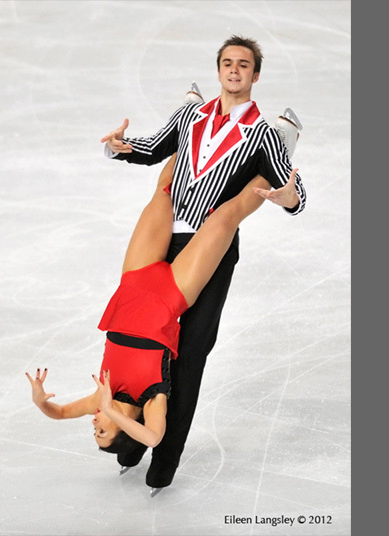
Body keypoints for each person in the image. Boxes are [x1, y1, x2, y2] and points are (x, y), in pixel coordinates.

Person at [99, 35, 308, 490]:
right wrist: (119, 146)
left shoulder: (264, 136)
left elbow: (297, 196)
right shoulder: (190, 116)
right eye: (228, 63)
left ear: (255, 76)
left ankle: (166, 453)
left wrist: (289, 197)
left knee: (189, 352)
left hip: (211, 249)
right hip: (166, 234)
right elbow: (154, 148)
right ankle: (132, 432)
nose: (234, 71)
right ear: (219, 71)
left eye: (243, 65)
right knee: (144, 342)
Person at [26, 156, 297, 492]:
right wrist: (117, 411)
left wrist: (40, 400)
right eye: (102, 430)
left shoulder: (101, 397)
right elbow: (154, 437)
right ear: (124, 428)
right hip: (173, 293)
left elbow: (61, 412)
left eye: (95, 429)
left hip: (134, 282)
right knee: (227, 216)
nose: (94, 422)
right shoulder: (152, 400)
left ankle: (187, 124)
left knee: (163, 194)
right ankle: (278, 151)